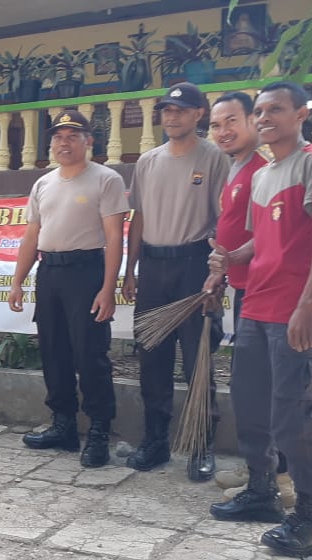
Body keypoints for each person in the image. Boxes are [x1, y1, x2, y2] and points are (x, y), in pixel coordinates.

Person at [204, 82, 312, 557]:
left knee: (296, 416)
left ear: (303, 112)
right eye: (259, 111)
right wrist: (230, 257)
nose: (263, 118)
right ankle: (261, 491)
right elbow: (262, 239)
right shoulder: (264, 174)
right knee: (253, 404)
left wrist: (308, 303)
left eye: (275, 110)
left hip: (294, 311)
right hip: (256, 305)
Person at [122, 82, 230, 479]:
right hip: (153, 267)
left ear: (199, 113)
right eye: (167, 110)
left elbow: (226, 220)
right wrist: (131, 269)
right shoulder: (148, 161)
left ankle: (202, 445)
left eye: (181, 110)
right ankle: (155, 440)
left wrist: (217, 273)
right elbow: (139, 220)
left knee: (198, 356)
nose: (173, 116)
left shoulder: (215, 158)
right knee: (152, 354)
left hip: (194, 266)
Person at [8, 110, 128, 468]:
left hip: (86, 272)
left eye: (72, 135)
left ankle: (99, 431)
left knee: (90, 354)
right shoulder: (43, 183)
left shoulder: (106, 179)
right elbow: (32, 234)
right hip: (50, 272)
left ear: (88, 140)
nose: (64, 142)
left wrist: (109, 289)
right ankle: (63, 424)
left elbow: (113, 237)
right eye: (58, 136)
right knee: (53, 351)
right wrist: (18, 280)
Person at [207, 92, 295, 505]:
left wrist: (231, 261)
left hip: (272, 294)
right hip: (246, 288)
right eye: (216, 124)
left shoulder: (264, 168)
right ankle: (264, 467)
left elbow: (274, 238)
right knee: (255, 386)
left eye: (231, 121)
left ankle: (286, 475)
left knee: (276, 387)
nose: (223, 131)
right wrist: (224, 270)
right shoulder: (239, 170)